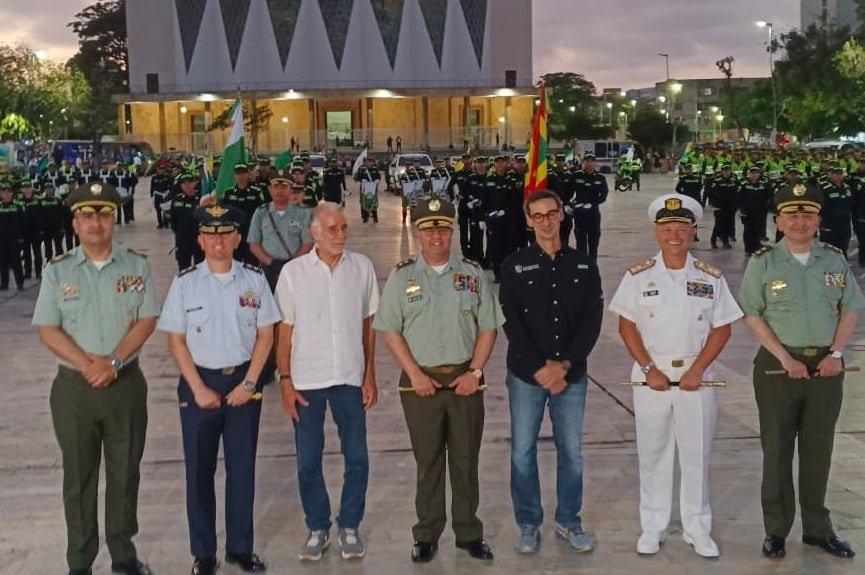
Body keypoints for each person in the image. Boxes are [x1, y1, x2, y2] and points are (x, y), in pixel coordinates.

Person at [32, 181, 160, 575]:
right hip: (74, 391)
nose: (95, 223)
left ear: (114, 219)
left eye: (103, 214)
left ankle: (123, 554)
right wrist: (89, 365)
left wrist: (114, 363)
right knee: (79, 478)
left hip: (125, 385)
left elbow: (147, 318)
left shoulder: (136, 265)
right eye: (87, 215)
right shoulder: (58, 271)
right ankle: (80, 561)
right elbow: (48, 328)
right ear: (75, 223)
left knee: (125, 472)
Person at [608, 194, 743, 558]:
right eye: (667, 228)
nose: (674, 235)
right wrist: (649, 369)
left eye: (681, 228)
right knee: (653, 453)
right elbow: (626, 326)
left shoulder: (709, 277)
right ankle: (653, 527)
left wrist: (698, 370)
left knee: (696, 454)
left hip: (695, 379)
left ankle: (697, 528)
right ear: (656, 232)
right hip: (650, 377)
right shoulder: (637, 276)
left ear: (693, 232)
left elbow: (723, 328)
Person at [373, 197, 505, 564]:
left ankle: (468, 532)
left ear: (452, 232)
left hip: (465, 379)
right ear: (417, 233)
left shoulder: (473, 273)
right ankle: (427, 533)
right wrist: (414, 374)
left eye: (443, 229)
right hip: (421, 384)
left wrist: (475, 372)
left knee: (465, 460)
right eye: (429, 230)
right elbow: (390, 330)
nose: (436, 236)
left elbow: (488, 327)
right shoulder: (402, 277)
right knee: (428, 460)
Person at [737, 183, 863, 561]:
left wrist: (837, 353)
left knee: (817, 450)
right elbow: (753, 314)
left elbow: (849, 309)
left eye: (807, 214)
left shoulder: (834, 259)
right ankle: (776, 530)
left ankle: (817, 529)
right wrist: (784, 358)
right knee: (776, 449)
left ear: (818, 220)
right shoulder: (763, 262)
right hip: (779, 367)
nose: (800, 221)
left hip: (826, 366)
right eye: (791, 214)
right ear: (779, 221)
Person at [157, 204, 281, 575]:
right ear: (200, 240)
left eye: (226, 234)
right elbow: (176, 341)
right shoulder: (185, 283)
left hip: (243, 383)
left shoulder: (254, 280)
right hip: (200, 386)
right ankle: (204, 553)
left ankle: (240, 549)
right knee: (199, 472)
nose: (218, 242)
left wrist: (249, 383)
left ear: (237, 239)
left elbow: (266, 335)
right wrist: (197, 388)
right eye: (211, 235)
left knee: (242, 471)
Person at [498, 190, 603, 555]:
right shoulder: (513, 264)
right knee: (522, 452)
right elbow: (511, 322)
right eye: (537, 215)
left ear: (562, 216)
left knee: (571, 452)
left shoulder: (585, 264)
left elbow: (592, 321)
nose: (545, 221)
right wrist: (540, 368)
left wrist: (565, 365)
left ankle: (569, 521)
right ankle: (528, 523)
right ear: (528, 221)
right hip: (527, 376)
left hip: (570, 376)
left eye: (551, 213)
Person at [274, 203, 379, 562]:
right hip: (306, 380)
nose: (340, 235)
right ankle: (318, 526)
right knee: (307, 460)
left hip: (349, 377)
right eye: (332, 229)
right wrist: (285, 381)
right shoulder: (292, 274)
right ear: (314, 232)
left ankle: (350, 524)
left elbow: (368, 326)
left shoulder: (362, 268)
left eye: (344, 228)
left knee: (357, 458)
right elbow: (283, 333)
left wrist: (369, 374)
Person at [247, 169, 313, 290]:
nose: (279, 190)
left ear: (291, 189)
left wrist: (291, 264)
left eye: (284, 186)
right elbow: (254, 244)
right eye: (276, 186)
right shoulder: (261, 212)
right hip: (268, 270)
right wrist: (271, 263)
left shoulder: (304, 213)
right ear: (270, 189)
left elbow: (308, 244)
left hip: (295, 270)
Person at [570, 153, 608, 260]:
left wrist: (593, 204)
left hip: (593, 213)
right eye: (587, 161)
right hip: (579, 213)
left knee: (593, 241)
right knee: (580, 241)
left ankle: (592, 265)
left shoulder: (600, 178)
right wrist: (570, 203)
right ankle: (581, 265)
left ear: (595, 163)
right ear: (583, 163)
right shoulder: (576, 176)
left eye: (592, 161)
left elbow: (604, 195)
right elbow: (568, 192)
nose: (589, 164)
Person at [0, 178, 25, 291]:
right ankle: (4, 284)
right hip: (2, 240)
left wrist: (21, 238)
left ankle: (20, 283)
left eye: (9, 192)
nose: (6, 194)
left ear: (12, 193)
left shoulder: (18, 206)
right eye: (4, 192)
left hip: (14, 239)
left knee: (16, 262)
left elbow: (22, 223)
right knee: (3, 262)